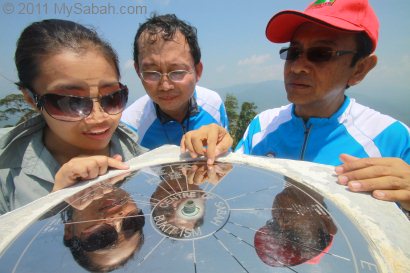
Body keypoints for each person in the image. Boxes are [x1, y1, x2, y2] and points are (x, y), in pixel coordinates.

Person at [0, 19, 231, 215]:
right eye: (71, 102)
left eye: (111, 97)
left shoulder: (140, 159)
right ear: (31, 98)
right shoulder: (7, 174)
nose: (98, 118)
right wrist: (57, 206)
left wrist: (215, 149)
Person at [234, 0, 410, 214]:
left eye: (321, 53)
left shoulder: (392, 139)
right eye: (294, 52)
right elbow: (234, 192)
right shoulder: (261, 126)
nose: (297, 67)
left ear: (360, 69)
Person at [121, 14, 229, 150]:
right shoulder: (130, 128)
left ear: (198, 71)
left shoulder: (213, 104)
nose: (165, 86)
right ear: (138, 72)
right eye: (151, 73)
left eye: (177, 72)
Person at [62, 175, 145, 272]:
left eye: (100, 237)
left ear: (69, 229)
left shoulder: (41, 200)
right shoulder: (137, 164)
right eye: (132, 223)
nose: (117, 219)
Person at [254, 179, 337, 267]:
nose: (280, 218)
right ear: (325, 221)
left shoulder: (284, 169)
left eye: (274, 224)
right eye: (293, 235)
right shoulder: (341, 177)